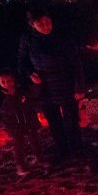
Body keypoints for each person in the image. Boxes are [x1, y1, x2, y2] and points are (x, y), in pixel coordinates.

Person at [17, 8, 85, 160]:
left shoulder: (62, 36)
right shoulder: (28, 39)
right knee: (53, 120)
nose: (46, 26)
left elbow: (76, 63)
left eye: (48, 22)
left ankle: (76, 148)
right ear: (32, 24)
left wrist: (79, 87)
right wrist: (30, 74)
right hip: (44, 85)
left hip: (65, 82)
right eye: (41, 24)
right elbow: (21, 62)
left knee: (71, 119)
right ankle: (62, 149)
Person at [0, 68, 42, 176]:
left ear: (14, 79)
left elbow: (33, 94)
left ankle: (40, 158)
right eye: (3, 82)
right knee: (19, 144)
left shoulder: (21, 89)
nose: (7, 84)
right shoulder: (0, 96)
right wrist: (10, 97)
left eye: (9, 80)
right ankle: (21, 165)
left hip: (28, 120)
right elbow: (7, 110)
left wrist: (37, 85)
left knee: (35, 139)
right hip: (14, 124)